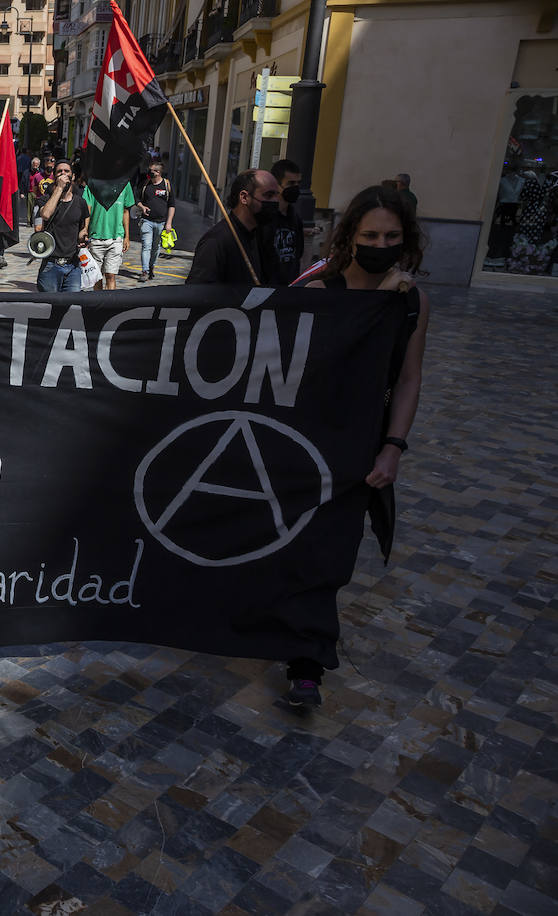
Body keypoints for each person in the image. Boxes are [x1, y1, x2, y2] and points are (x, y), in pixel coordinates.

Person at [290, 184, 430, 708]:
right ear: (350, 236)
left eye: (391, 237)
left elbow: (409, 378)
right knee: (290, 546)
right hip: (304, 440)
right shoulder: (320, 292)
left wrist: (394, 447)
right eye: (370, 235)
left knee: (330, 554)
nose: (380, 245)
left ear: (405, 240)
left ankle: (306, 662)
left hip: (360, 448)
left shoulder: (412, 302)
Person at [185, 169, 276, 285]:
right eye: (269, 195)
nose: (275, 201)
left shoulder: (260, 235)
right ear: (244, 197)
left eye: (276, 195)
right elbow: (197, 291)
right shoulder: (216, 241)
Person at [34, 160, 92, 292]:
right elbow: (45, 215)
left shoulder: (80, 202)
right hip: (51, 265)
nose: (63, 174)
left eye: (66, 171)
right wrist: (59, 188)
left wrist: (83, 236)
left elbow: (83, 227)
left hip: (73, 266)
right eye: (59, 171)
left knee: (72, 303)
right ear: (54, 176)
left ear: (73, 176)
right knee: (49, 302)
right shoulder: (45, 199)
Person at [83, 178, 134, 290]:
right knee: (97, 277)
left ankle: (110, 300)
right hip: (96, 237)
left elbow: (125, 211)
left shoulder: (125, 184)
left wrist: (127, 236)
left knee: (111, 275)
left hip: (116, 237)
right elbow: (87, 209)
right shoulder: (92, 183)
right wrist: (85, 230)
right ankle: (99, 300)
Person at [262, 159, 306, 287]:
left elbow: (298, 252)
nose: (295, 188)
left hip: (289, 286)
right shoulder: (264, 218)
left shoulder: (295, 218)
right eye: (291, 183)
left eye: (298, 183)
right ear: (276, 185)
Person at [135, 159, 175, 281]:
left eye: (151, 171)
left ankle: (151, 266)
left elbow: (172, 205)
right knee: (146, 245)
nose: (148, 172)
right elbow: (136, 199)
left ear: (158, 172)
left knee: (156, 247)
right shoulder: (145, 184)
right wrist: (142, 207)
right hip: (146, 221)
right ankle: (144, 271)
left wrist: (169, 223)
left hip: (161, 222)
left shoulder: (167, 185)